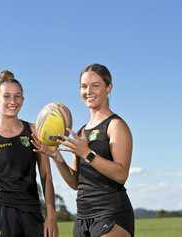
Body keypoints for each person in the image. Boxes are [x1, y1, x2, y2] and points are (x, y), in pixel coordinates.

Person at [32, 64, 134, 237]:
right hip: (82, 218)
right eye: (84, 86)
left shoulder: (116, 126)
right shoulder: (81, 132)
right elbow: (74, 183)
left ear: (108, 88)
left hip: (112, 214)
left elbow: (121, 174)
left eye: (95, 85)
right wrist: (57, 158)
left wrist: (87, 153)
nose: (89, 91)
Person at [0, 70, 58, 237]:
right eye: (7, 96)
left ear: (23, 100)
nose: (13, 101)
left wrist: (51, 216)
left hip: (31, 213)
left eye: (17, 96)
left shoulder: (34, 131)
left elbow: (46, 176)